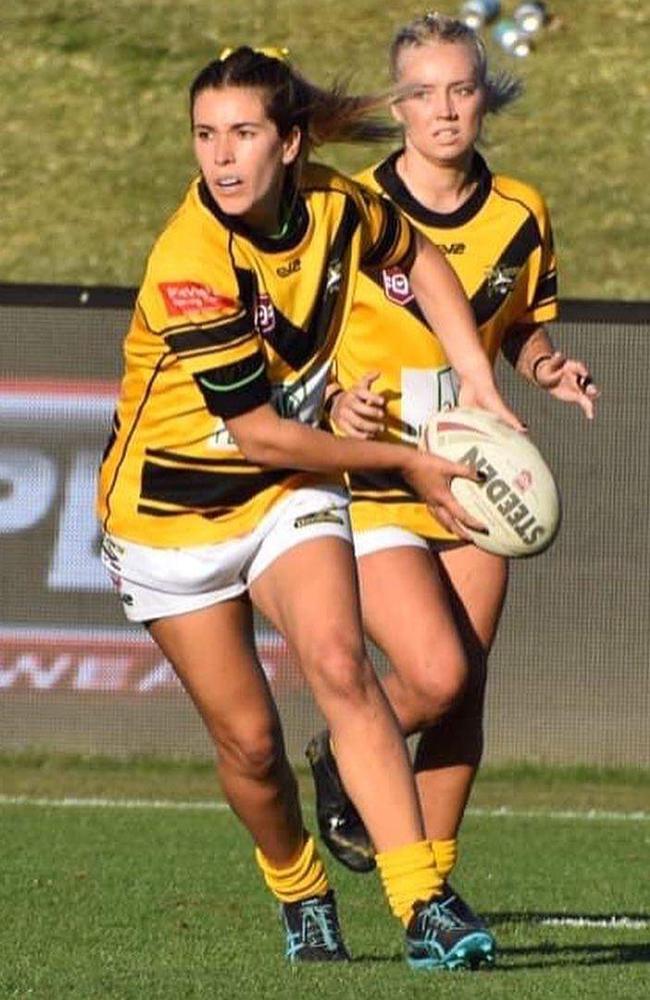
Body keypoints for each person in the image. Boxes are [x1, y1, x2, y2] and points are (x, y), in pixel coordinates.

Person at [97, 45, 519, 969]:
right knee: (251, 745)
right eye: (205, 136)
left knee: (339, 662)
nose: (221, 156)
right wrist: (405, 462)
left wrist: (481, 384)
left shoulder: (337, 202)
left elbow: (417, 258)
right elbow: (260, 435)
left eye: (243, 133)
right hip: (172, 514)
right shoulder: (191, 261)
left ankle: (422, 907)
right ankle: (297, 884)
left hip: (287, 494)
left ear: (290, 143)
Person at [306, 11, 599, 933]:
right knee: (431, 676)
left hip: (474, 472)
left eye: (460, 89)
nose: (443, 109)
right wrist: (332, 406)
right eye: (422, 92)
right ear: (396, 105)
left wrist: (548, 367)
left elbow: (516, 324)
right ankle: (340, 755)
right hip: (382, 472)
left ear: (485, 97)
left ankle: (429, 900)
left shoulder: (520, 211)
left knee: (469, 685)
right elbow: (296, 348)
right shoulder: (349, 209)